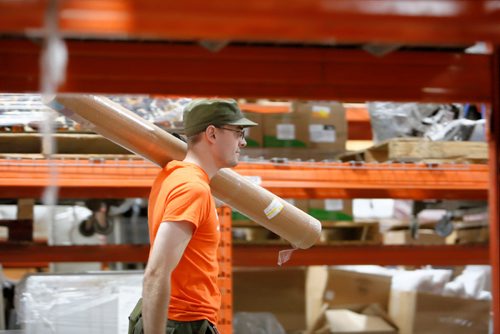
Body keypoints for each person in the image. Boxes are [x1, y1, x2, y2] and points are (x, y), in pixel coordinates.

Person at [129, 98, 257, 334]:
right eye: (238, 132)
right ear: (212, 133)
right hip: (180, 324)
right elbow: (156, 272)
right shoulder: (191, 188)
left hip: (178, 321)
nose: (243, 141)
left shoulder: (175, 175)